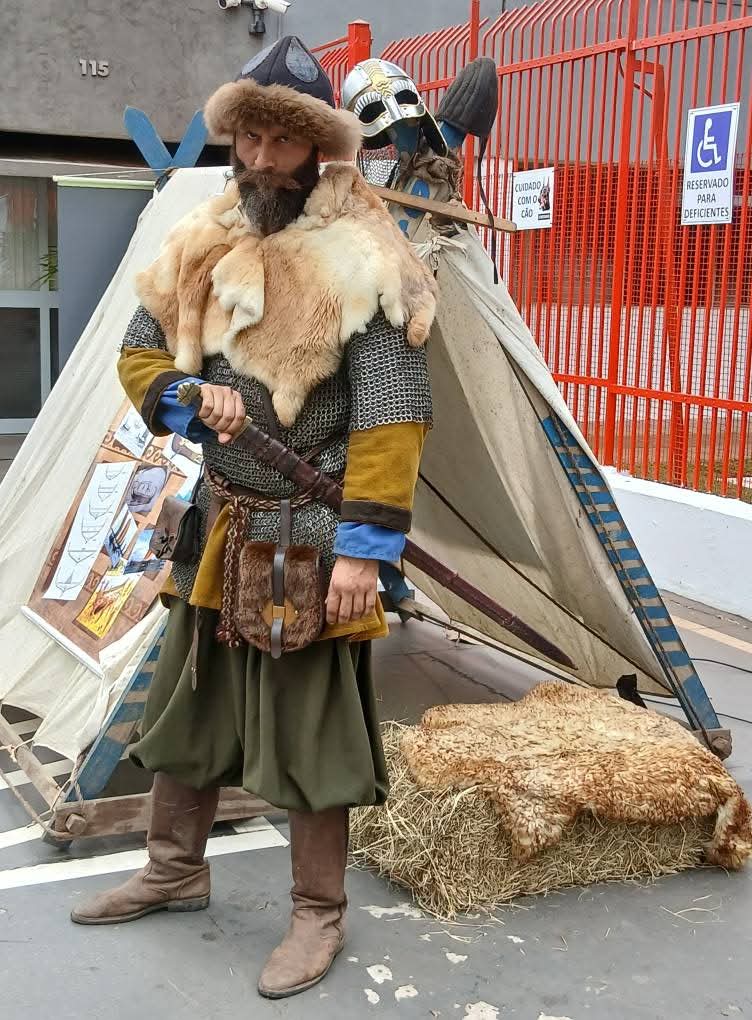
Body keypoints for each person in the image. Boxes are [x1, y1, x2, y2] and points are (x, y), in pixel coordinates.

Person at [70, 36, 435, 1001]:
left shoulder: (365, 258)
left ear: (319, 149)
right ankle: (173, 868)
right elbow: (143, 355)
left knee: (313, 730)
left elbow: (395, 414)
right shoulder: (203, 234)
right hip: (220, 522)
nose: (264, 157)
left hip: (315, 535)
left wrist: (365, 545)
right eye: (253, 137)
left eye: (285, 141)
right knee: (185, 705)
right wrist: (190, 402)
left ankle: (319, 913)